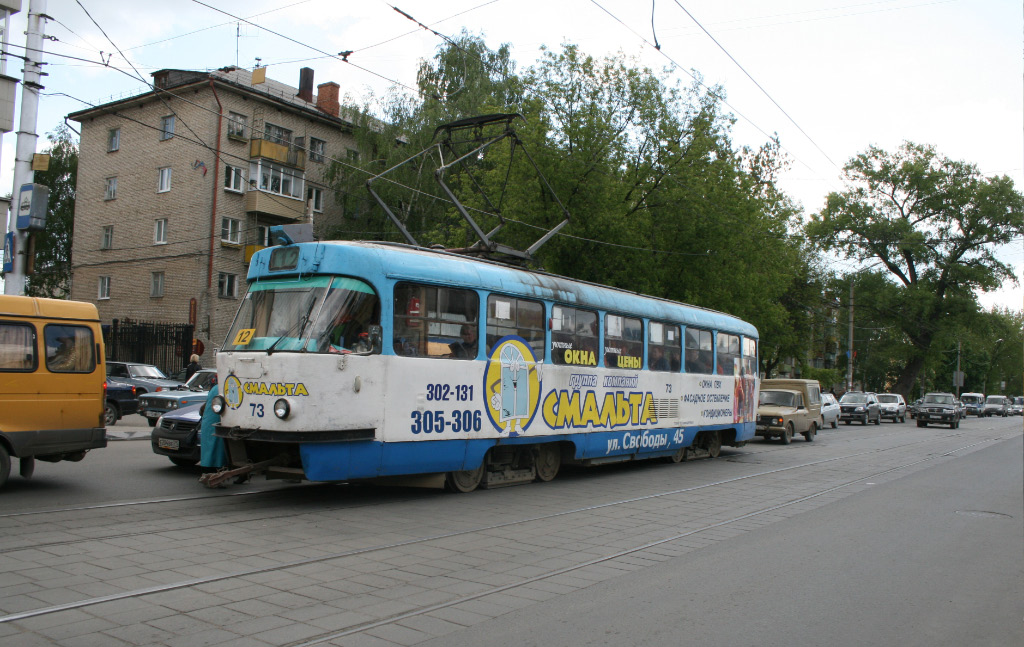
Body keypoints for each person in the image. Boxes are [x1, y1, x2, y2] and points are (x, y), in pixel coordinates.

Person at [199, 384, 228, 471]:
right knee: (217, 448)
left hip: (208, 422)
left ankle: (208, 467)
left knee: (209, 449)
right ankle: (216, 469)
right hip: (217, 421)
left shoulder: (216, 388)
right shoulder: (224, 388)